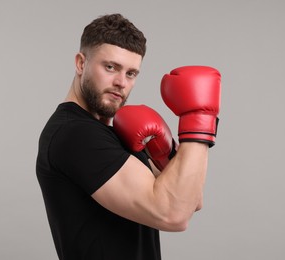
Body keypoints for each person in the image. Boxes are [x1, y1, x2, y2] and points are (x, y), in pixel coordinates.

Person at [36, 13, 221, 260]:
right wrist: (198, 118)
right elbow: (174, 214)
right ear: (81, 63)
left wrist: (164, 153)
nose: (121, 82)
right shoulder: (74, 134)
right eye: (110, 67)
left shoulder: (117, 133)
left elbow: (190, 200)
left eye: (131, 73)